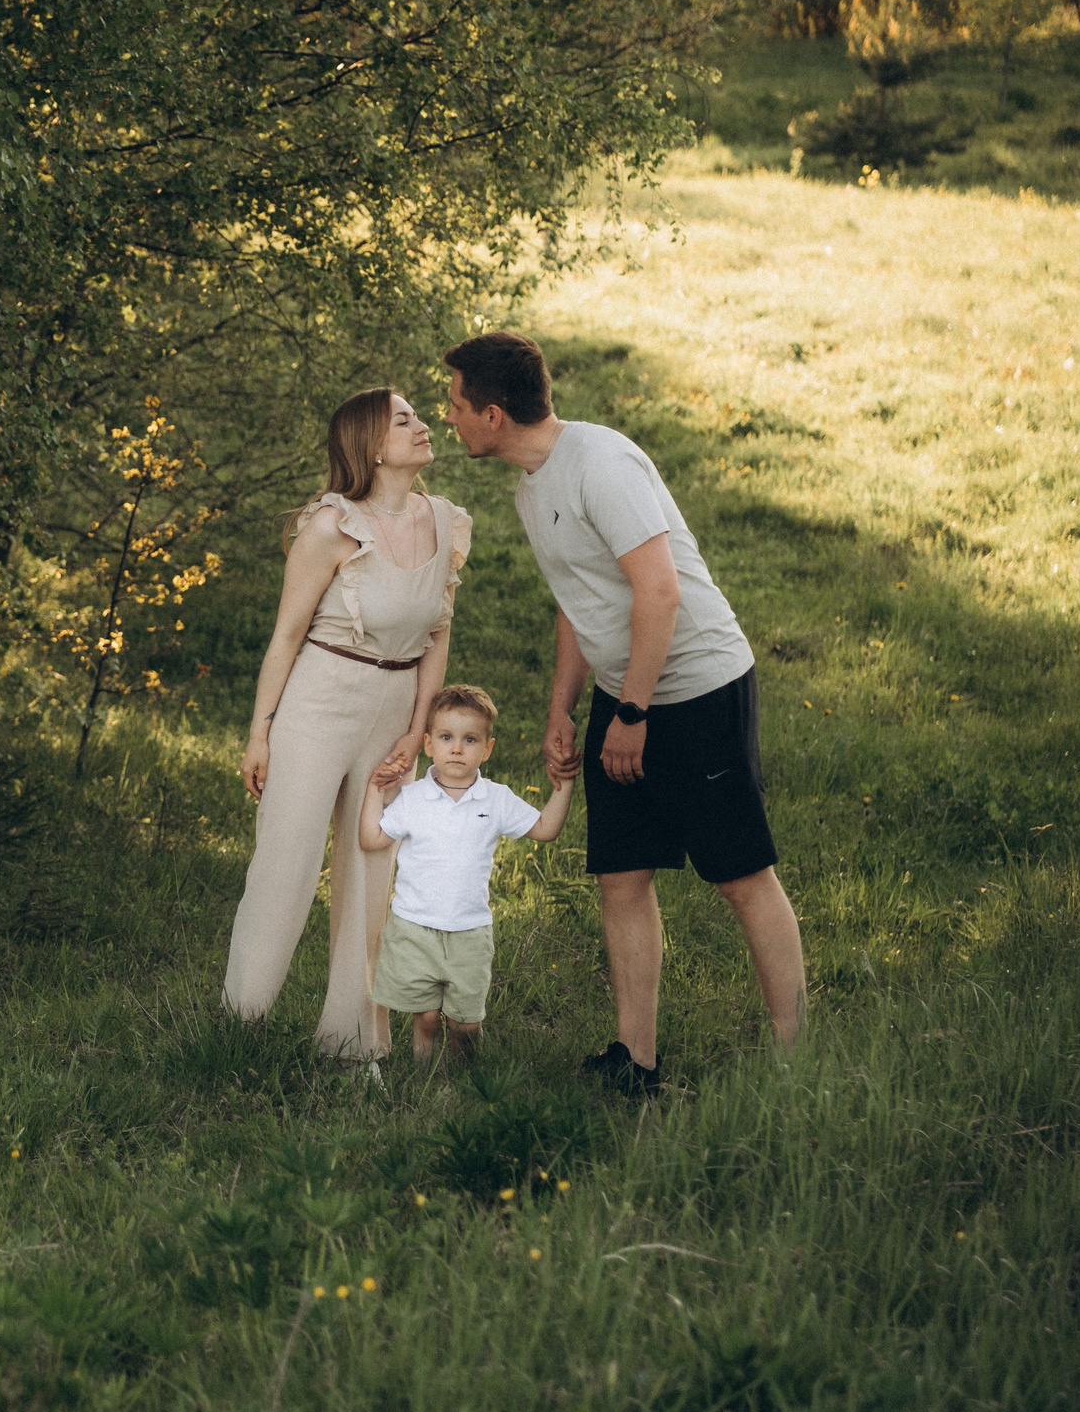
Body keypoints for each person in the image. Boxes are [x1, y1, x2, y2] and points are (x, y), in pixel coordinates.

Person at [441, 330, 805, 1096]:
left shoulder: (600, 464)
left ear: (494, 415)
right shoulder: (530, 488)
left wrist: (632, 713)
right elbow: (581, 601)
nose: (450, 418)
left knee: (741, 876)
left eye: (455, 404)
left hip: (697, 687)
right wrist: (565, 708)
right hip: (626, 694)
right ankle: (635, 1061)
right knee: (622, 878)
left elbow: (660, 592)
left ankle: (795, 1052)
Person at [226, 387, 472, 1066]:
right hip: (320, 699)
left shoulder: (445, 522)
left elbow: (437, 638)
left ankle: (353, 1045)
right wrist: (260, 733)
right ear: (369, 445)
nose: (424, 426)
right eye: (405, 420)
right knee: (287, 863)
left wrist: (417, 730)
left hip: (395, 712)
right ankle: (239, 1024)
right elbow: (285, 636)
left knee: (371, 874)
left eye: (421, 416)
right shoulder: (332, 526)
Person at [357, 683, 574, 1063]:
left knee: (465, 1023)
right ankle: (424, 1079)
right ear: (428, 744)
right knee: (425, 1016)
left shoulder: (496, 798)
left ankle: (465, 1079)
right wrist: (375, 790)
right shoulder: (413, 800)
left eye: (470, 739)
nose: (457, 748)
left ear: (487, 748)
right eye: (446, 737)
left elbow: (545, 829)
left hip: (470, 930)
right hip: (414, 926)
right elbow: (372, 838)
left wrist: (564, 786)